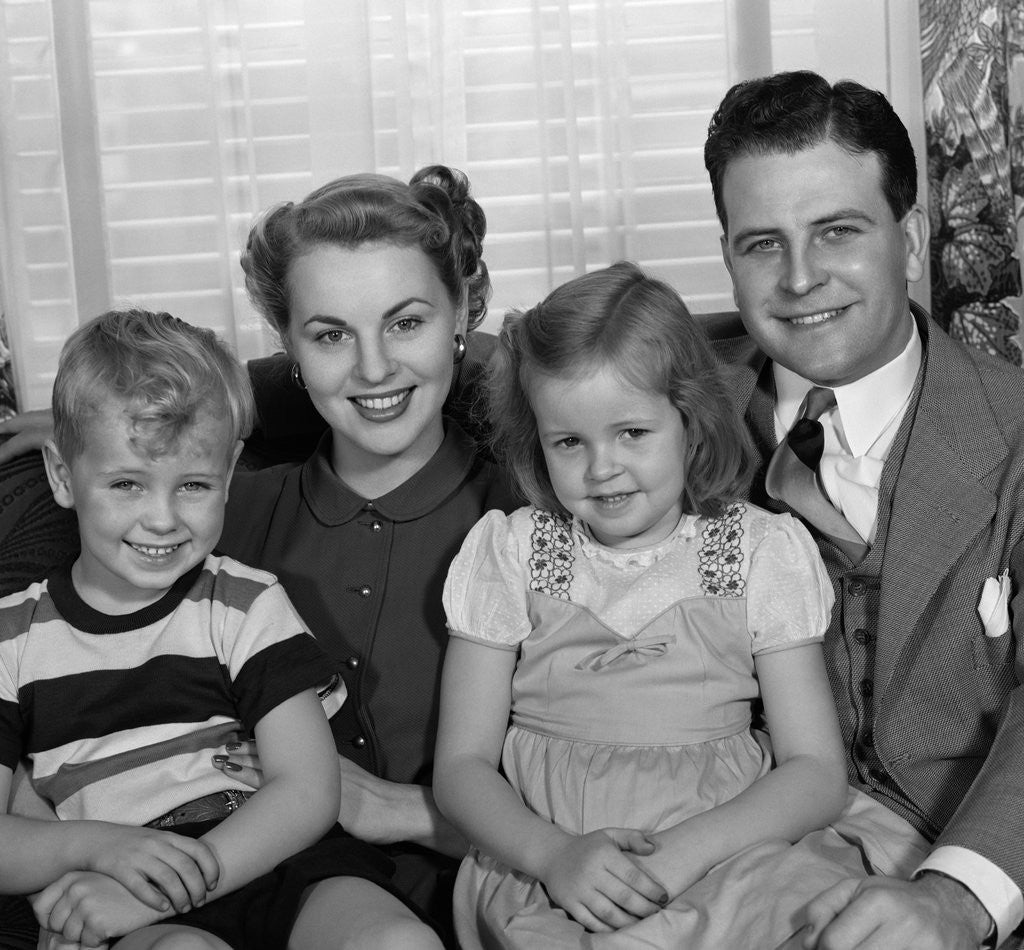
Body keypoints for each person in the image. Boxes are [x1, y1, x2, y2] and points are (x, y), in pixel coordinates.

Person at [432, 261, 889, 948]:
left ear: (690, 421)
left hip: (728, 850)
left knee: (827, 921)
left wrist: (685, 853)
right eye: (568, 443)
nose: (601, 467)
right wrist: (551, 856)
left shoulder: (759, 549)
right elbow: (460, 770)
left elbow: (816, 772)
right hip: (557, 867)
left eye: (632, 433)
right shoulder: (511, 551)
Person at [0, 310, 439, 949]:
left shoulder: (244, 603)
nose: (162, 518)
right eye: (127, 483)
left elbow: (308, 790)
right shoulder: (13, 642)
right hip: (123, 883)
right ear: (64, 477)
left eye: (194, 485)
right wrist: (100, 854)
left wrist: (177, 885)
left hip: (272, 858)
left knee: (400, 943)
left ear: (229, 474)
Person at [705, 70, 1024, 949]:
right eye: (762, 244)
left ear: (910, 238)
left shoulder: (1019, 432)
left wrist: (960, 899)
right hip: (745, 875)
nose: (801, 277)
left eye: (837, 231)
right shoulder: (652, 422)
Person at [209, 165, 518, 946]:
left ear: (462, 315)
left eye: (406, 322)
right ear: (289, 346)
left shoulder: (534, 520)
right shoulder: (218, 517)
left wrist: (401, 810)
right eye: (331, 334)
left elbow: (625, 785)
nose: (374, 368)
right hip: (254, 898)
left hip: (496, 901)